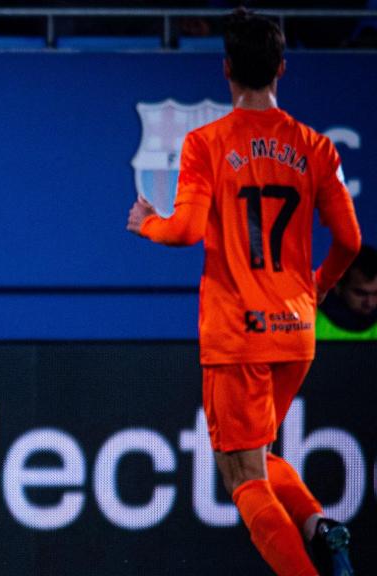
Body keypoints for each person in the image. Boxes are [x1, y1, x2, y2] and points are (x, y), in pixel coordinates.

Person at [126, 8, 361, 576]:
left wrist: (147, 222)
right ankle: (319, 526)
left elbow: (184, 231)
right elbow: (351, 242)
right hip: (296, 333)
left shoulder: (208, 143)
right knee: (259, 454)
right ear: (282, 67)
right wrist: (315, 290)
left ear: (226, 69)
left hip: (238, 334)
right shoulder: (315, 147)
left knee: (241, 475)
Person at [317, 244, 377, 339]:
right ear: (338, 286)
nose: (370, 303)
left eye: (376, 294)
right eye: (360, 293)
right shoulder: (311, 321)